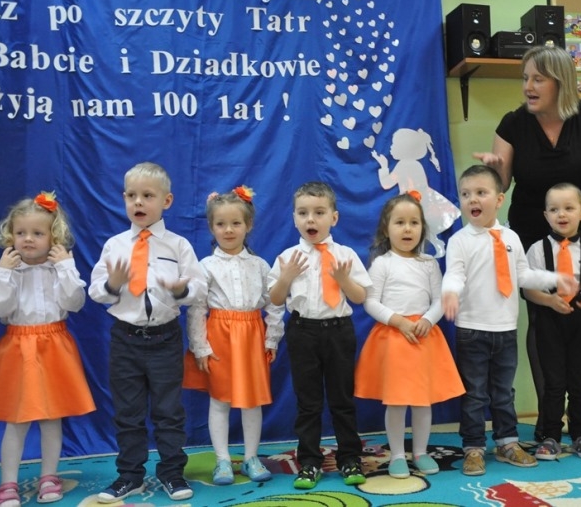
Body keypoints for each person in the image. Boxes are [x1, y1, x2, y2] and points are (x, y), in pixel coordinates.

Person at [473, 45, 581, 441]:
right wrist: (493, 171)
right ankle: (548, 425)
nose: (528, 86)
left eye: (537, 79)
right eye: (525, 78)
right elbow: (500, 185)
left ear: (561, 82)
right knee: (543, 320)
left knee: (577, 317)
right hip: (532, 237)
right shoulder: (513, 124)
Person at [441, 165, 577, 476]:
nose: (473, 199)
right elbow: (455, 274)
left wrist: (554, 278)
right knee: (474, 394)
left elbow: (524, 275)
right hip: (472, 330)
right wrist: (450, 292)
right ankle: (473, 447)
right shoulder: (460, 240)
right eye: (465, 194)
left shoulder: (512, 237)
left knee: (504, 392)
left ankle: (507, 442)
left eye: (481, 192)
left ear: (499, 199)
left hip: (505, 330)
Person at [89, 162, 207, 503]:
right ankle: (130, 476)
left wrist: (182, 289)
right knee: (128, 413)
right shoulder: (115, 246)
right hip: (125, 339)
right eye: (131, 195)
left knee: (169, 412)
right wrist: (113, 284)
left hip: (165, 338)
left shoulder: (178, 245)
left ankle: (172, 473)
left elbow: (200, 289)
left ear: (166, 201)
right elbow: (95, 291)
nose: (138, 202)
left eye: (147, 196)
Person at [0, 191, 95, 506]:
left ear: (53, 237)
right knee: (17, 420)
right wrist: (3, 272)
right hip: (17, 347)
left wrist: (66, 267)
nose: (28, 239)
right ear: (11, 236)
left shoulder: (58, 268)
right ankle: (7, 484)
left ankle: (49, 477)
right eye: (21, 233)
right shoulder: (8, 271)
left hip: (54, 346)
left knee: (51, 418)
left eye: (37, 233)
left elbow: (74, 302)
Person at [268, 181, 372, 490]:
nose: (310, 219)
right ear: (294, 218)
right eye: (303, 213)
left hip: (338, 331)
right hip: (303, 332)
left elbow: (360, 297)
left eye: (319, 212)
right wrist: (286, 277)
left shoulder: (345, 255)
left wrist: (343, 279)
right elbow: (275, 299)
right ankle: (310, 462)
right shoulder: (288, 257)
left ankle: (350, 458)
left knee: (342, 400)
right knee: (308, 402)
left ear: (334, 218)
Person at [354, 192, 464, 479]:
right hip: (393, 339)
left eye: (414, 222)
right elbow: (370, 302)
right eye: (400, 222)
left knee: (421, 400)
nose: (407, 229)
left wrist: (428, 319)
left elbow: (440, 299)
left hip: (423, 338)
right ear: (386, 228)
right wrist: (398, 321)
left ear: (422, 228)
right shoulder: (382, 263)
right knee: (396, 401)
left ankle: (420, 452)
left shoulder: (428, 263)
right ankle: (397, 455)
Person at [182, 187, 284, 485]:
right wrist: (200, 347)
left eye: (235, 223)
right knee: (220, 400)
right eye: (221, 224)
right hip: (220, 337)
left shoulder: (260, 265)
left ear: (248, 225)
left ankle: (251, 457)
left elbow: (274, 303)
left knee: (252, 402)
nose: (228, 230)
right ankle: (223, 460)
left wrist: (272, 338)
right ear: (211, 227)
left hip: (252, 336)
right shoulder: (206, 266)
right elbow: (196, 309)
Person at [523, 183, 581, 461]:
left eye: (569, 208)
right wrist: (548, 301)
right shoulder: (537, 250)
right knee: (553, 382)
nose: (561, 214)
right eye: (554, 209)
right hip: (549, 317)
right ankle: (550, 435)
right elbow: (528, 290)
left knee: (580, 381)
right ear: (546, 215)